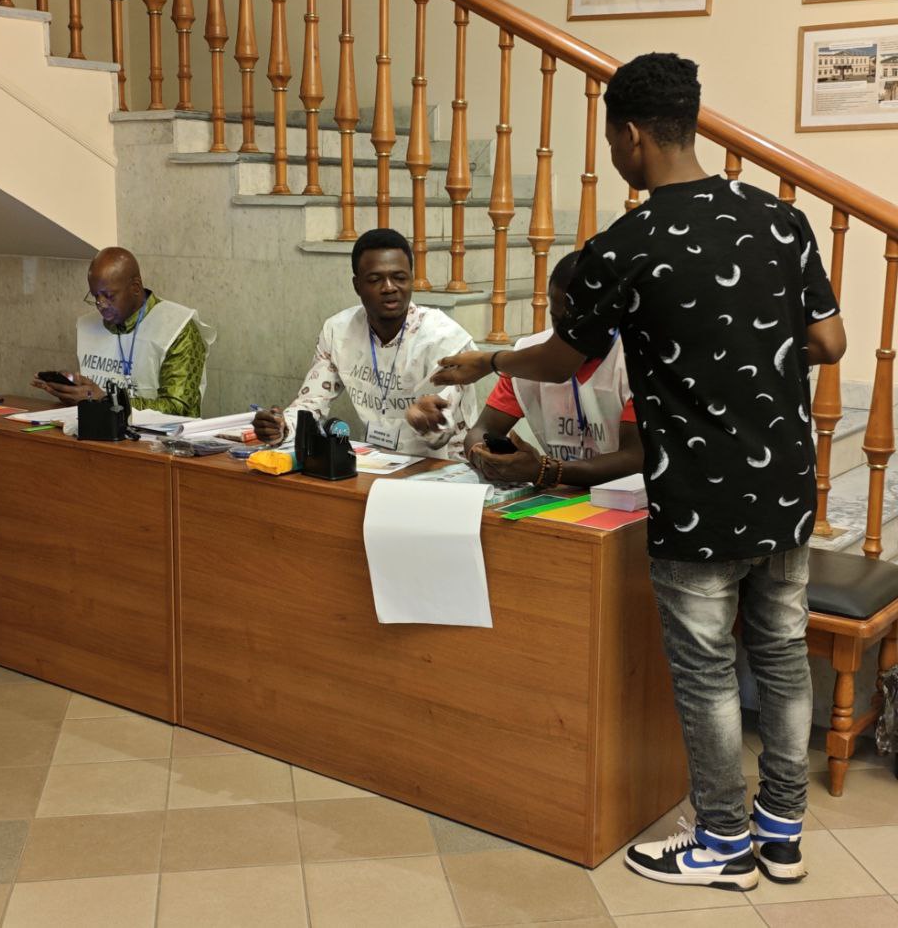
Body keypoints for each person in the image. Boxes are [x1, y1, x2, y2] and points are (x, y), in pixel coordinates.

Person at [432, 52, 846, 891]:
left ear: (629, 135)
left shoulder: (625, 245)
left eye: (612, 141)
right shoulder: (783, 220)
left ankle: (723, 843)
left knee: (706, 670)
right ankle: (782, 834)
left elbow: (562, 357)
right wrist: (751, 349)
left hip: (696, 497)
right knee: (780, 655)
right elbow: (829, 343)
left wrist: (488, 360)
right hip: (785, 485)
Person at [411, 251, 642, 487]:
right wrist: (483, 455)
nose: (568, 334)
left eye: (581, 323)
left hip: (631, 499)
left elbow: (634, 459)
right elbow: (482, 429)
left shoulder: (638, 360)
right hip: (562, 496)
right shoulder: (527, 355)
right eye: (558, 320)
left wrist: (546, 470)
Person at [252, 228, 479, 458]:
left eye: (399, 278)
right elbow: (312, 403)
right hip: (379, 462)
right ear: (357, 285)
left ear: (411, 279)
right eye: (375, 279)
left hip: (446, 467)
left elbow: (442, 433)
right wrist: (282, 427)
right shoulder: (338, 331)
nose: (389, 287)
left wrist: (428, 420)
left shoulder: (444, 339)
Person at [33, 247, 216, 417]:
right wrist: (75, 394)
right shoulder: (88, 324)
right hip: (100, 432)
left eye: (109, 296)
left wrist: (105, 400)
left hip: (161, 439)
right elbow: (93, 395)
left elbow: (179, 410)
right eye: (95, 296)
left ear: (135, 287)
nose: (101, 305)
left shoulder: (177, 328)